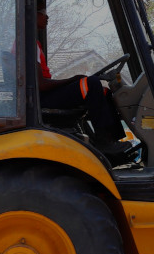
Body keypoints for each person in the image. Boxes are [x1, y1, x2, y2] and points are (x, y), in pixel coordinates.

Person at [35, 10, 135, 163]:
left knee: (103, 91)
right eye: (42, 12)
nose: (47, 16)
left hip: (44, 95)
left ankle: (113, 142)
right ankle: (104, 143)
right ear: (31, 14)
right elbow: (41, 85)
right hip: (41, 99)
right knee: (92, 84)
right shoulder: (28, 44)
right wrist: (72, 79)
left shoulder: (32, 43)